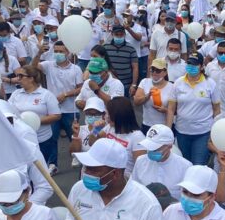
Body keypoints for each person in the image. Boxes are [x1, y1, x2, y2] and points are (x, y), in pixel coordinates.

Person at [33, 41, 83, 171]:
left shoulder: (75, 69)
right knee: (52, 138)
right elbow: (33, 68)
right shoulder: (49, 65)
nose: (58, 54)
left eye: (61, 51)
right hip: (53, 111)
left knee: (73, 135)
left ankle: (76, 156)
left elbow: (80, 89)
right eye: (56, 51)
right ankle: (53, 164)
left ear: (68, 53)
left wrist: (65, 95)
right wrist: (39, 53)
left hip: (70, 109)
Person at [166, 52, 221, 165]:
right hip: (182, 132)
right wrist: (168, 131)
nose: (191, 67)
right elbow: (171, 109)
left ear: (201, 67)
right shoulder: (178, 83)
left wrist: (215, 133)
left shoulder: (210, 84)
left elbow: (216, 109)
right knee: (184, 165)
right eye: (189, 64)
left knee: (198, 165)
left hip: (203, 132)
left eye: (195, 64)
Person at [8, 66, 61, 168]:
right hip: (22, 140)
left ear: (31, 78)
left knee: (41, 170)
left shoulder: (46, 95)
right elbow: (8, 110)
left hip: (42, 140)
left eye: (21, 76)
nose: (18, 79)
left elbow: (56, 115)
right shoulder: (16, 93)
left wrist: (34, 121)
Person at [131, 124, 192, 201]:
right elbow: (134, 188)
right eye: (149, 147)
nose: (151, 151)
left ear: (169, 146)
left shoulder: (185, 167)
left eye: (155, 148)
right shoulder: (140, 161)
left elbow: (187, 197)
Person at [91, 96, 146, 175]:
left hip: (124, 180)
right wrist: (95, 130)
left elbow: (141, 169)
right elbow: (92, 143)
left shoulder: (137, 138)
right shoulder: (110, 127)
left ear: (118, 115)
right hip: (108, 175)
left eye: (107, 114)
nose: (105, 117)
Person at [134, 58, 174, 134]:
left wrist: (165, 110)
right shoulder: (144, 82)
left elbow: (175, 111)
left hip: (163, 126)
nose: (154, 73)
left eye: (158, 70)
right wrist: (147, 96)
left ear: (165, 72)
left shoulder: (171, 87)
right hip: (147, 125)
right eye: (152, 69)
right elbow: (136, 102)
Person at [105, 25, 139, 97]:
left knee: (125, 106)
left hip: (126, 85)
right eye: (116, 34)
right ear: (112, 34)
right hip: (109, 83)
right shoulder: (105, 47)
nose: (119, 36)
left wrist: (134, 85)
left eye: (121, 34)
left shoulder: (131, 48)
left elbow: (135, 67)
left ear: (124, 34)